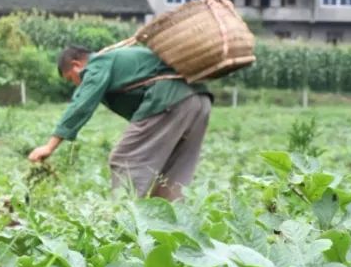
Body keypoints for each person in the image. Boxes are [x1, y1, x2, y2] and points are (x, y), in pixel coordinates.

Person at [28, 44, 213, 200]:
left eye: (72, 78)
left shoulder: (97, 64)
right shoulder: (115, 59)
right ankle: (170, 225)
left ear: (76, 65)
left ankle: (124, 226)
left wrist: (49, 146)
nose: (77, 84)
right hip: (199, 100)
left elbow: (81, 104)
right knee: (175, 171)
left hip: (168, 99)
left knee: (125, 159)